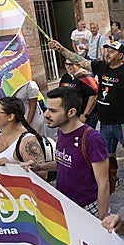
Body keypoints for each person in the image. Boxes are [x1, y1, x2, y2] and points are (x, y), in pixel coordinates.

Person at [49, 39, 124, 188]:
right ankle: (112, 179)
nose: (108, 54)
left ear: (120, 55)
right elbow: (79, 60)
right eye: (106, 50)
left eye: (111, 51)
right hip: (105, 122)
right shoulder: (101, 67)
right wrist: (60, 48)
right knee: (107, 154)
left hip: (123, 122)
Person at [25, 87, 110, 219]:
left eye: (52, 111)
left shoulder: (91, 139)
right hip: (67, 205)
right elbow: (64, 162)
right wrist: (40, 166)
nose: (46, 114)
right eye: (47, 109)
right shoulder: (61, 131)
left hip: (87, 208)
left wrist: (102, 220)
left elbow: (103, 183)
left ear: (71, 112)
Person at [0, 97, 47, 179]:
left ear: (10, 117)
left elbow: (42, 175)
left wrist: (14, 168)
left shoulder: (27, 141)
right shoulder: (0, 133)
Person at [59, 60, 99, 128]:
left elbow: (94, 96)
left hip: (86, 115)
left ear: (78, 65)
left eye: (71, 64)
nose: (68, 66)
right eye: (66, 64)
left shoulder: (87, 78)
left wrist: (85, 115)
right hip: (71, 115)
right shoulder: (65, 77)